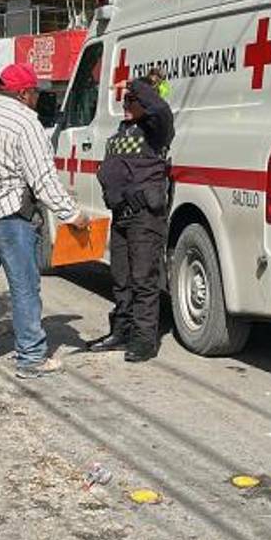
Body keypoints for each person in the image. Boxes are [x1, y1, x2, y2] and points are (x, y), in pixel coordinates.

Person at [0, 62, 90, 379]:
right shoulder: (27, 123)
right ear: (25, 93)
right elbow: (42, 180)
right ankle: (30, 357)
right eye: (34, 94)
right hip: (11, 216)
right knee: (24, 288)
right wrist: (73, 215)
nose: (35, 100)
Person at [88, 72, 175, 362]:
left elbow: (160, 108)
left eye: (133, 100)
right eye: (126, 99)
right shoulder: (123, 130)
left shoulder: (156, 129)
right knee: (121, 278)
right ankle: (121, 332)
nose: (127, 104)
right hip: (121, 214)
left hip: (144, 217)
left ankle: (143, 340)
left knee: (143, 279)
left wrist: (137, 86)